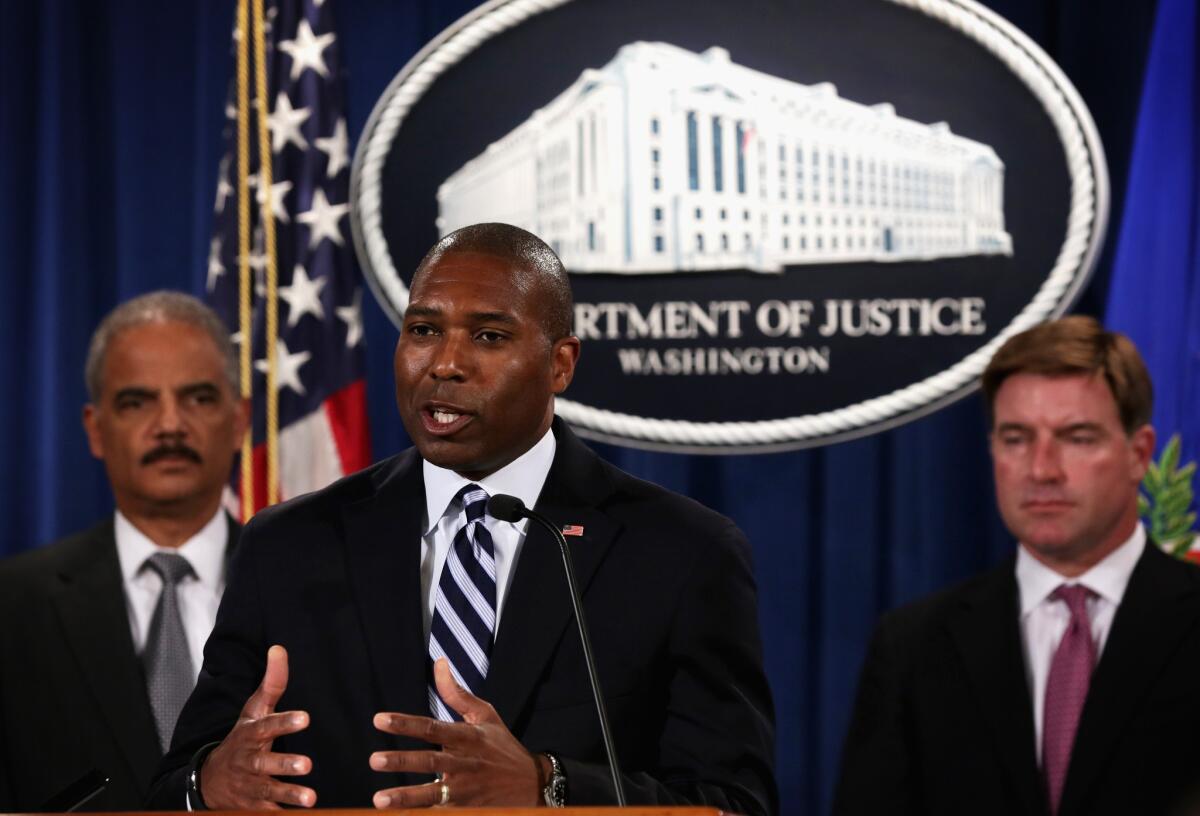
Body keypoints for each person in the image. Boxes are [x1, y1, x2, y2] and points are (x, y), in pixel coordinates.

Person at [147, 223, 776, 814]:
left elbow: (732, 802)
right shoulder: (290, 545)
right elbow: (177, 782)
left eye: (489, 337)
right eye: (423, 330)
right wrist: (209, 785)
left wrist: (546, 786)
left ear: (560, 363)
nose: (445, 363)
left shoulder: (680, 554)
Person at [834, 316, 1200, 816]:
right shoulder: (913, 646)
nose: (1041, 469)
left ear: (1139, 454)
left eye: (1077, 437)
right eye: (1016, 438)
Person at [0, 292, 250, 811]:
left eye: (198, 398)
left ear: (240, 420)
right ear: (94, 428)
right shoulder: (12, 606)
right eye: (137, 402)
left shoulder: (309, 588)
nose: (169, 425)